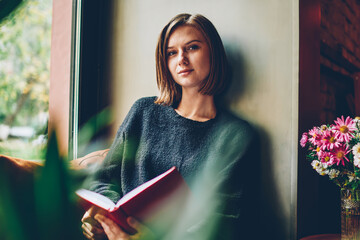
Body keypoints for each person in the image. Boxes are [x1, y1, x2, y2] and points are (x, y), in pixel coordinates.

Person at [81, 13, 258, 240]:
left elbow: (226, 220)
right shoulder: (143, 112)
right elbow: (103, 179)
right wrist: (99, 217)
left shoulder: (235, 135)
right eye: (171, 53)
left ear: (214, 53)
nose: (181, 59)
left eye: (192, 48)